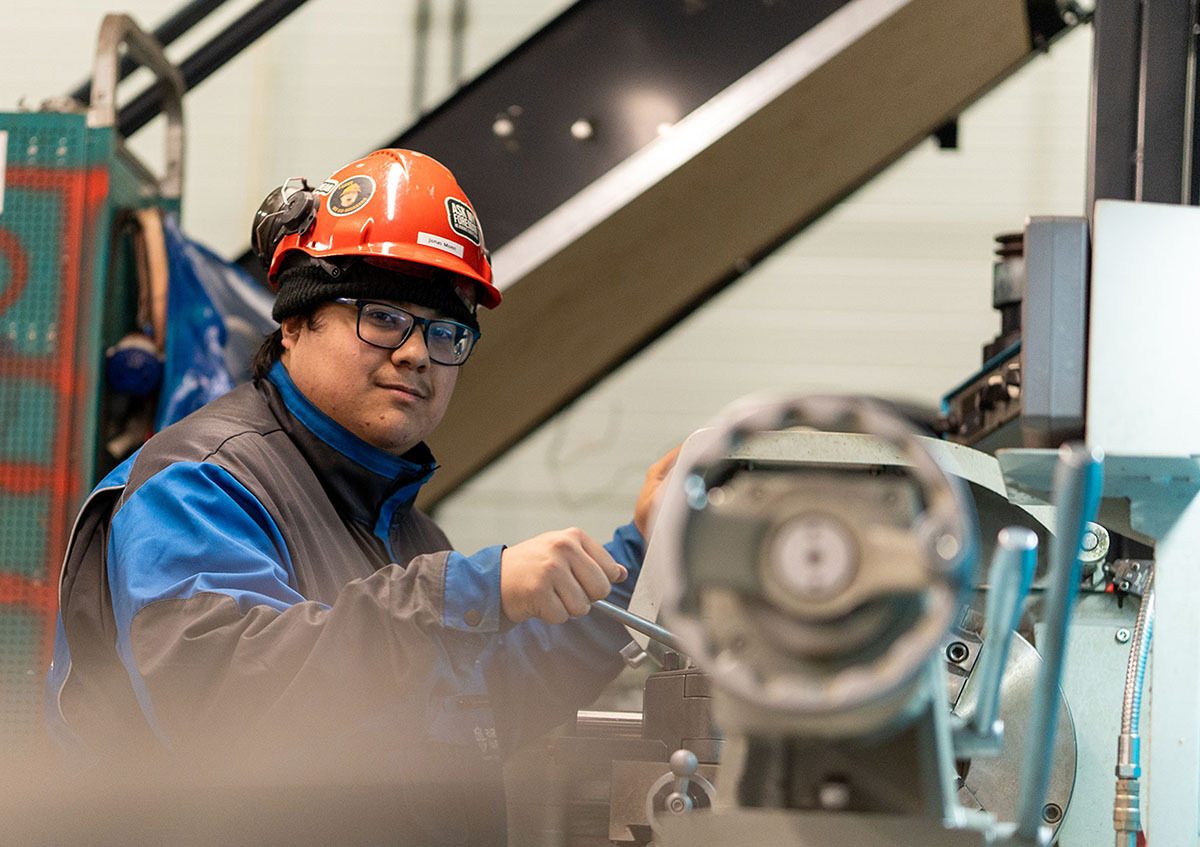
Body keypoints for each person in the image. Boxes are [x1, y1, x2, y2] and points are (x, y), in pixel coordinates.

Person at [46, 149, 677, 844]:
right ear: (294, 323)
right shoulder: (200, 484)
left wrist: (644, 555)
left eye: (445, 333)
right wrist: (463, 590)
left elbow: (489, 697)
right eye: (382, 316)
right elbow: (229, 701)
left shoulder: (402, 532)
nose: (416, 353)